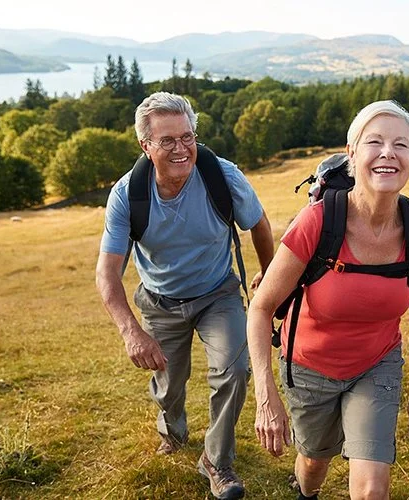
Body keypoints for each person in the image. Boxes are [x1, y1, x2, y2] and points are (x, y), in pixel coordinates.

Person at [246, 100, 409, 499]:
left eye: (401, 145)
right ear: (352, 154)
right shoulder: (318, 222)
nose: (388, 153)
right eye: (374, 142)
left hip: (377, 364)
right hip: (309, 366)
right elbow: (261, 308)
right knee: (313, 463)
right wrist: (265, 394)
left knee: (373, 486)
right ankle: (307, 492)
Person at [96, 92, 274, 500]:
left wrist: (269, 278)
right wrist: (130, 331)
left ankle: (217, 460)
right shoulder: (128, 194)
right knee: (169, 385)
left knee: (234, 371)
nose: (181, 148)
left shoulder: (222, 175)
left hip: (218, 293)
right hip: (160, 301)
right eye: (168, 141)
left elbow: (259, 224)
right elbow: (107, 274)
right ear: (146, 146)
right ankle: (172, 428)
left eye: (187, 136)